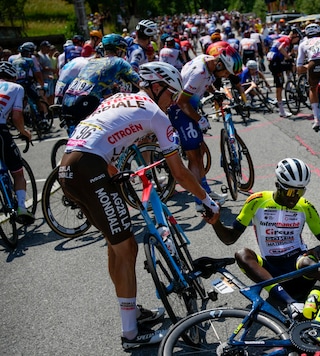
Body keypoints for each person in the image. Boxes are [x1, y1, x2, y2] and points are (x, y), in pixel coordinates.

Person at [58, 61, 220, 349]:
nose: (172, 103)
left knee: (116, 245)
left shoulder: (117, 98)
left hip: (69, 166)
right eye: (171, 95)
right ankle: (130, 335)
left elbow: (100, 137)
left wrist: (111, 177)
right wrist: (207, 201)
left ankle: (131, 313)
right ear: (156, 88)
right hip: (88, 168)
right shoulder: (156, 114)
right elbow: (180, 173)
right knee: (128, 248)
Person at [206, 158, 320, 311]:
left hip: (300, 267)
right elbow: (230, 238)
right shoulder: (257, 201)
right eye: (291, 191)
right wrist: (216, 222)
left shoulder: (305, 206)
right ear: (277, 185)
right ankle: (291, 303)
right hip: (271, 271)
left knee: (307, 262)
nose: (295, 197)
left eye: (300, 191)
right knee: (242, 254)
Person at [169, 47, 243, 212]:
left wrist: (214, 92)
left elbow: (207, 81)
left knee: (200, 152)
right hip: (181, 111)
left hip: (188, 109)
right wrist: (200, 119)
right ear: (219, 64)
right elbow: (182, 102)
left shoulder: (207, 60)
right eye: (225, 73)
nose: (225, 76)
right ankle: (200, 200)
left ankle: (205, 192)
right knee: (194, 156)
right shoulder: (199, 73)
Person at [62, 34, 139, 123]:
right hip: (85, 104)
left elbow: (104, 91)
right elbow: (140, 83)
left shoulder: (92, 62)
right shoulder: (119, 62)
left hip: (67, 103)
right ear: (119, 50)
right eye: (124, 50)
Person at [0, 62, 34, 224]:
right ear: (13, 77)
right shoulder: (16, 88)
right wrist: (25, 133)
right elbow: (16, 117)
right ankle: (21, 207)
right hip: (0, 132)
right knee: (17, 172)